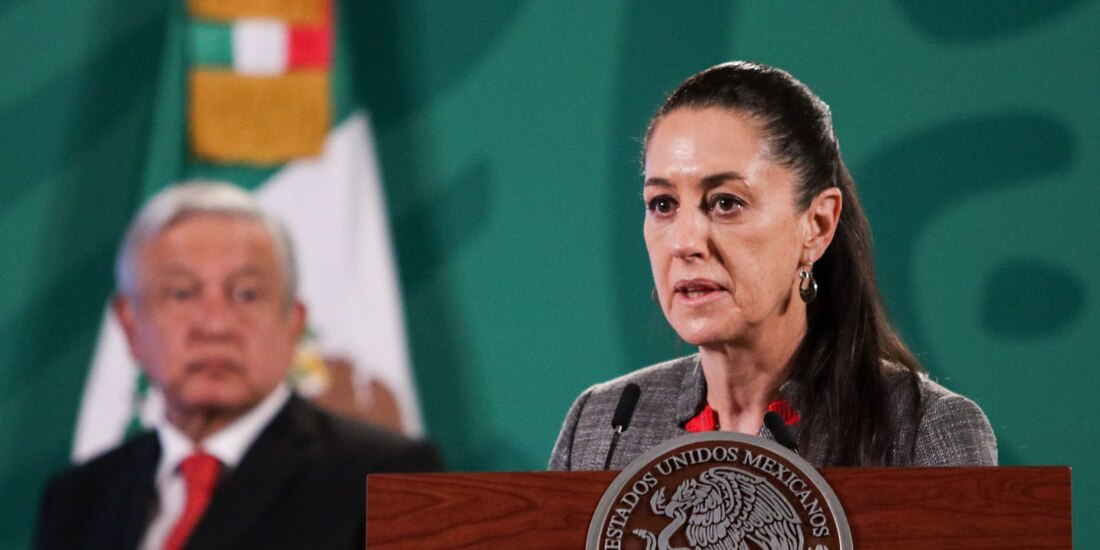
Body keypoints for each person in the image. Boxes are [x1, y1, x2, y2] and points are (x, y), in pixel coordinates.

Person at [550, 61, 996, 470]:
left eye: (726, 203)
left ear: (817, 225)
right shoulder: (602, 425)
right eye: (662, 204)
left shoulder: (923, 431)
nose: (684, 242)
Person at [35, 183, 442, 550]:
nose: (215, 324)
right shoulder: (79, 497)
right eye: (181, 293)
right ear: (130, 326)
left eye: (246, 294)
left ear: (293, 324)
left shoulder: (388, 476)